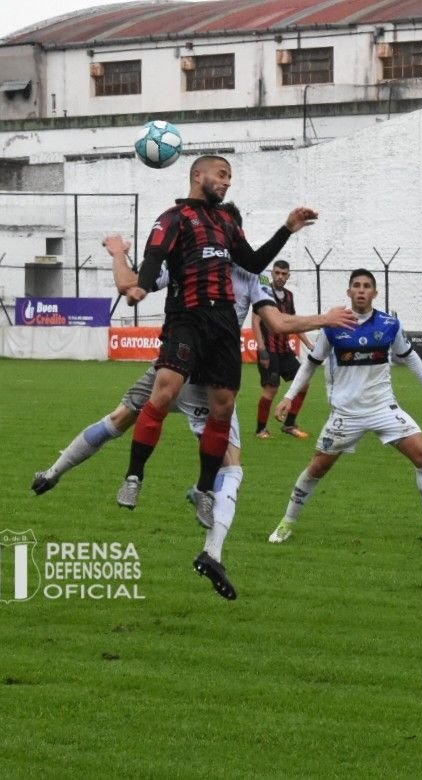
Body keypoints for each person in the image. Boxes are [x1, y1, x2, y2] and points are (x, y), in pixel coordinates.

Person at [32, 205, 355, 600]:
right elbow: (279, 323)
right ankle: (211, 551)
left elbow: (130, 286)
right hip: (208, 378)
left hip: (177, 369)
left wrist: (118, 254)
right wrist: (325, 318)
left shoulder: (211, 264)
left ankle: (53, 473)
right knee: (231, 469)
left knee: (119, 419)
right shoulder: (243, 274)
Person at [116, 155, 317, 535]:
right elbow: (154, 255)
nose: (227, 182)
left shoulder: (226, 222)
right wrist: (141, 286)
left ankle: (205, 490)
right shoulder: (174, 217)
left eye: (230, 177)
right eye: (222, 175)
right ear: (198, 175)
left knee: (222, 410)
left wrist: (287, 229)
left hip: (223, 324)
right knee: (164, 392)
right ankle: (134, 476)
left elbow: (253, 262)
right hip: (187, 318)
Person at [268, 268, 422, 545]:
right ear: (349, 292)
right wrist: (289, 396)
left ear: (375, 293)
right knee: (317, 468)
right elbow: (311, 363)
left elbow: (409, 356)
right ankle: (287, 523)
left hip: (383, 408)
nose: (361, 290)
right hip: (346, 413)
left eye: (366, 286)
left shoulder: (389, 324)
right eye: (356, 286)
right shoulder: (333, 326)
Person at [253, 259, 313, 439]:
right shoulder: (263, 292)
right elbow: (255, 322)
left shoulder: (289, 296)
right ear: (272, 273)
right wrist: (262, 349)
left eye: (284, 274)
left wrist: (308, 344)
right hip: (268, 349)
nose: (280, 276)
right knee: (271, 389)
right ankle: (261, 430)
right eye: (277, 273)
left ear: (288, 276)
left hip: (284, 350)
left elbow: (293, 322)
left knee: (303, 384)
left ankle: (289, 424)